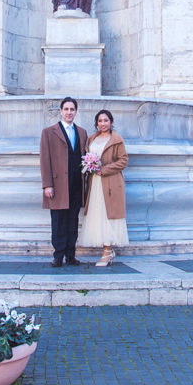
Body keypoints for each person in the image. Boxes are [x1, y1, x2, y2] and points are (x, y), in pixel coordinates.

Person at [40, 96, 88, 267]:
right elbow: (45, 160)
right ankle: (58, 255)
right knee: (58, 220)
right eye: (66, 109)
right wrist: (47, 184)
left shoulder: (82, 132)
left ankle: (71, 254)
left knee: (72, 220)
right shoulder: (48, 132)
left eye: (72, 109)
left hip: (76, 183)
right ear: (60, 111)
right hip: (57, 184)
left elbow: (84, 157)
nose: (69, 112)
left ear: (76, 112)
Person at [81, 109, 129, 267]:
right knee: (98, 214)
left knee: (109, 215)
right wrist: (89, 166)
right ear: (96, 123)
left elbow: (123, 161)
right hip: (95, 182)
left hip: (110, 182)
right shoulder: (91, 139)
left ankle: (107, 251)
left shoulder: (116, 139)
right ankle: (106, 249)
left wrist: (104, 169)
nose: (103, 124)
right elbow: (86, 157)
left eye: (106, 120)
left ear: (111, 122)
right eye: (100, 121)